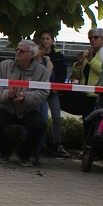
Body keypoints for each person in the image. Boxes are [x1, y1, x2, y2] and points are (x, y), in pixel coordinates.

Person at [0, 39, 49, 166]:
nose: (17, 52)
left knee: (39, 125)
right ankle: (5, 151)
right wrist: (8, 95)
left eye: (21, 51)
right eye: (16, 49)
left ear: (31, 54)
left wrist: (25, 96)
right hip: (5, 107)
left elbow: (43, 92)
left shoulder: (42, 71)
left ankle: (24, 154)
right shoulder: (5, 65)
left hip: (28, 109)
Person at [34, 30, 69, 158]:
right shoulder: (37, 56)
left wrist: (57, 87)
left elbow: (62, 72)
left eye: (48, 38)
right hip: (40, 91)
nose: (45, 40)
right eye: (43, 38)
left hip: (53, 91)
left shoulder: (58, 55)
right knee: (41, 118)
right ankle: (40, 145)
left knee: (56, 117)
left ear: (52, 40)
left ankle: (57, 144)